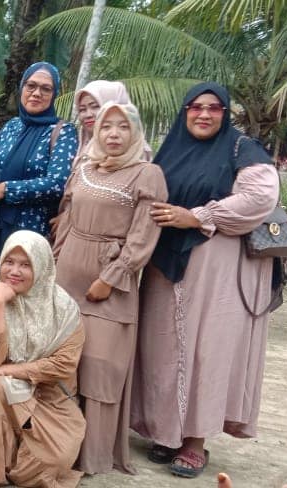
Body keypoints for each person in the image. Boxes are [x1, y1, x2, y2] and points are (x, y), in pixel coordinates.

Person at [131, 82, 280, 478]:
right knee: (162, 348)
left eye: (214, 108)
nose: (204, 114)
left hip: (217, 271)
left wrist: (198, 216)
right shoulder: (171, 150)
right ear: (185, 112)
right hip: (166, 266)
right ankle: (166, 433)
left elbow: (260, 198)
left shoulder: (242, 149)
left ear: (225, 114)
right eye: (195, 107)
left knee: (206, 352)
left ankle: (195, 442)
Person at [52, 103, 167, 475]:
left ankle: (93, 456)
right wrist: (52, 266)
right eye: (106, 127)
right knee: (64, 361)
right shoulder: (84, 169)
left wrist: (112, 278)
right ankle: (58, 449)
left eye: (123, 127)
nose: (113, 134)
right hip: (68, 276)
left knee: (100, 366)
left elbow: (143, 236)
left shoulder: (147, 174)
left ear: (135, 133)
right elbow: (67, 222)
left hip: (109, 283)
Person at [0, 230, 85, 488]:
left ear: (41, 266)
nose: (14, 271)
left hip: (50, 397)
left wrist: (5, 371)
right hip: (6, 392)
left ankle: (18, 461)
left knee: (49, 465)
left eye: (25, 264)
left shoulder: (64, 309)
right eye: (9, 261)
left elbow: (63, 365)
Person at [0, 62, 77, 291]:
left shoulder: (62, 132)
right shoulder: (11, 127)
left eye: (45, 88)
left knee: (21, 300)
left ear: (54, 95)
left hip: (30, 235)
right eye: (31, 86)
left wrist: (6, 189)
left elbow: (57, 183)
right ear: (22, 88)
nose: (36, 93)